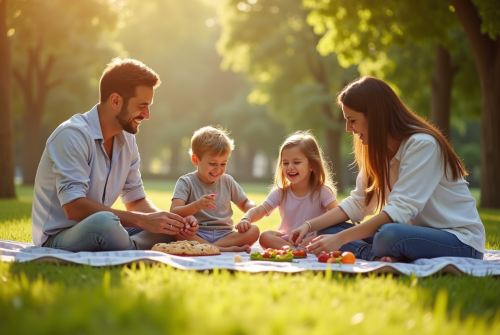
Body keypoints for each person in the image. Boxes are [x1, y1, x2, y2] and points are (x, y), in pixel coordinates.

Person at [290, 76, 486, 263]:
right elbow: (358, 203)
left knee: (388, 235)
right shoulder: (378, 153)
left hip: (459, 241)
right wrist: (310, 225)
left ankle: (373, 252)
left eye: (353, 120)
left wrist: (341, 240)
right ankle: (378, 256)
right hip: (412, 236)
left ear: (375, 116)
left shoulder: (423, 145)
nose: (348, 129)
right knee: (327, 231)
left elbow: (400, 209)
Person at [32, 58, 198, 251]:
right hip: (58, 238)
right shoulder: (72, 135)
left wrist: (171, 222)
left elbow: (135, 199)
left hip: (107, 229)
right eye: (142, 105)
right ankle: (134, 248)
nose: (147, 115)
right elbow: (73, 207)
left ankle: (127, 247)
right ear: (116, 100)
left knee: (164, 227)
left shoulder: (127, 140)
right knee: (106, 222)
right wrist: (143, 221)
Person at [237, 131, 338, 249]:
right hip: (288, 239)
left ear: (312, 165)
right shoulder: (280, 193)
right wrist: (246, 218)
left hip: (313, 238)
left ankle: (295, 249)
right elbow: (259, 211)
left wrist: (317, 235)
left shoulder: (322, 192)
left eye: (296, 162)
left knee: (331, 232)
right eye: (285, 163)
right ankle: (294, 249)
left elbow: (337, 215)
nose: (290, 167)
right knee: (265, 236)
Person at [170, 126, 259, 252]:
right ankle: (223, 249)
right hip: (197, 234)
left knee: (254, 231)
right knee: (176, 230)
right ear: (196, 160)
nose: (218, 170)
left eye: (223, 164)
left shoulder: (227, 181)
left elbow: (246, 203)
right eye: (212, 164)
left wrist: (248, 216)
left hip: (225, 234)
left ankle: (212, 248)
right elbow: (174, 212)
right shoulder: (186, 182)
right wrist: (197, 205)